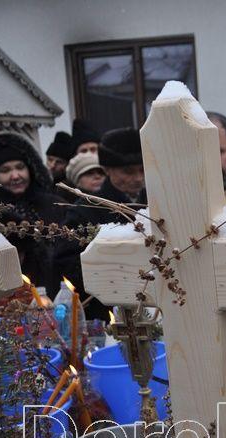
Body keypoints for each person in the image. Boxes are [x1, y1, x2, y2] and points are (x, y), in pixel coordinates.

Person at [56, 127, 145, 319]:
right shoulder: (86, 210)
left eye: (142, 170)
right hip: (106, 311)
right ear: (107, 169)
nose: (138, 178)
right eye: (128, 172)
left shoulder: (157, 201)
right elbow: (68, 263)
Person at [0, 132, 62, 290]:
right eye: (5, 170)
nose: (15, 176)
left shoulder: (55, 204)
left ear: (30, 169)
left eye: (20, 167)